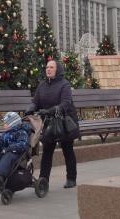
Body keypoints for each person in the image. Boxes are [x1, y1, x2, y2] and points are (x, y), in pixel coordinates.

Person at [26, 60, 79, 188]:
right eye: (47, 67)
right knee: (47, 151)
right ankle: (43, 181)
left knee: (68, 150)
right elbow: (36, 101)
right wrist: (31, 108)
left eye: (51, 67)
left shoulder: (64, 84)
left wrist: (51, 110)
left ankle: (71, 178)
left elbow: (66, 103)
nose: (48, 69)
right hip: (49, 123)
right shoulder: (42, 85)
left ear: (57, 70)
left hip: (64, 122)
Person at [0, 111, 30, 189]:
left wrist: (10, 148)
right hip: (5, 152)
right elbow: (0, 143)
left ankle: (0, 175)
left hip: (16, 154)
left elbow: (23, 144)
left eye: (6, 123)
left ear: (12, 124)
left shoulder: (21, 132)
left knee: (8, 155)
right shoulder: (5, 134)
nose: (4, 125)